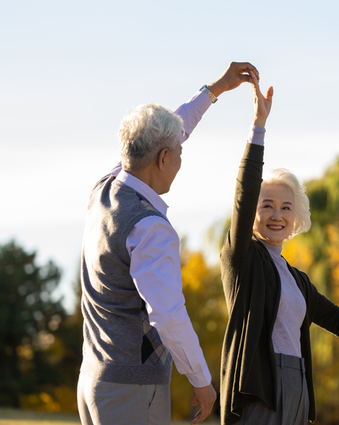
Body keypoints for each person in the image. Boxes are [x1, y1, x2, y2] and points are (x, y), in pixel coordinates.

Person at [219, 74, 339, 424]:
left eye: (286, 207)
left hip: (298, 387)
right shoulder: (242, 257)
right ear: (253, 213)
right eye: (267, 205)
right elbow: (244, 196)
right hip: (260, 389)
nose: (277, 215)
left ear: (296, 218)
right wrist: (258, 127)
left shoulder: (297, 279)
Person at [78, 62, 259, 425]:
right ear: (163, 158)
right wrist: (202, 380)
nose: (180, 159)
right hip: (133, 391)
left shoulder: (107, 188)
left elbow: (171, 129)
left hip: (95, 381)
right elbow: (168, 314)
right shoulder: (150, 227)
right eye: (178, 153)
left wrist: (214, 90)